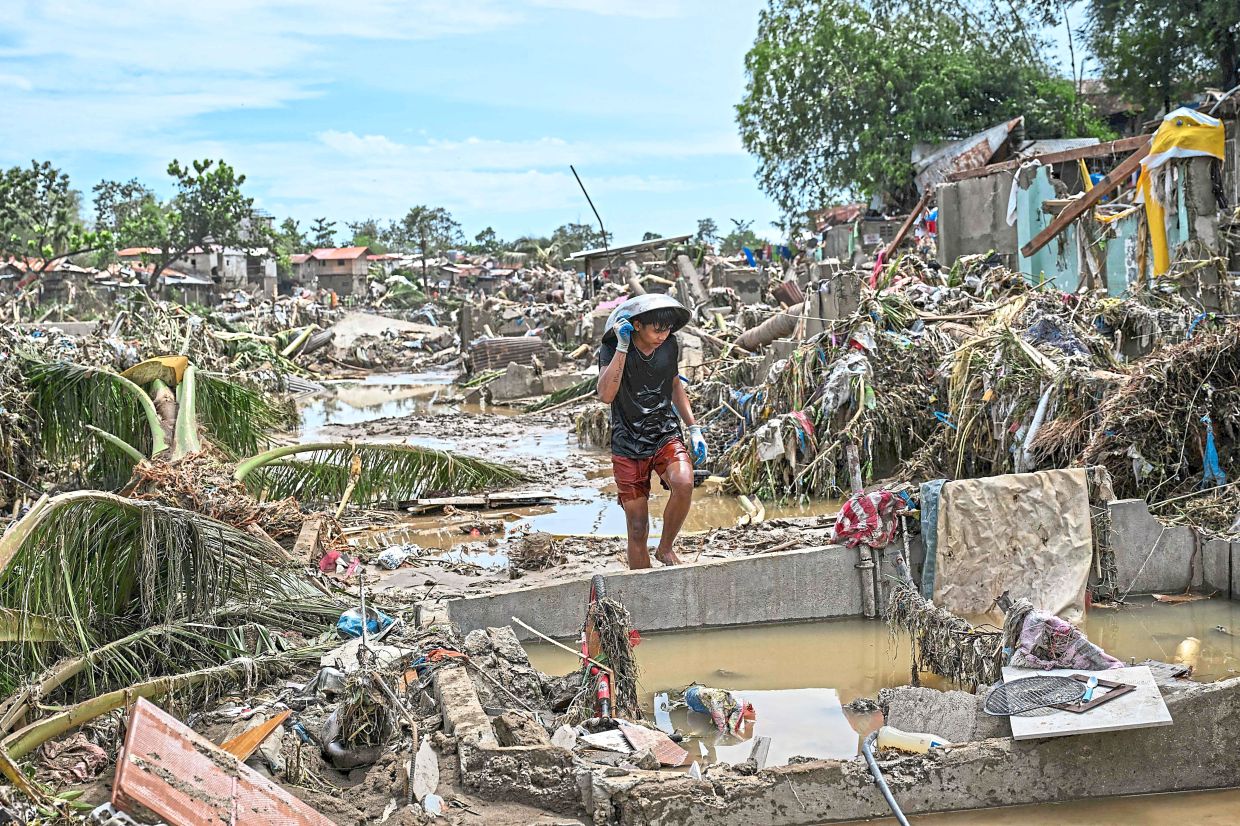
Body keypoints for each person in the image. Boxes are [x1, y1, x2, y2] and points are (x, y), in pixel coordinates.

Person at [597, 296, 707, 569]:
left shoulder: (669, 345)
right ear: (637, 325)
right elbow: (606, 394)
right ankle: (643, 589)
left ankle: (666, 548)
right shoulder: (612, 348)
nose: (662, 336)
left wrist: (693, 428)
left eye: (667, 329)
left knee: (683, 483)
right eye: (656, 329)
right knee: (637, 527)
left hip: (663, 432)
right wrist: (623, 347)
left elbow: (673, 385)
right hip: (628, 442)